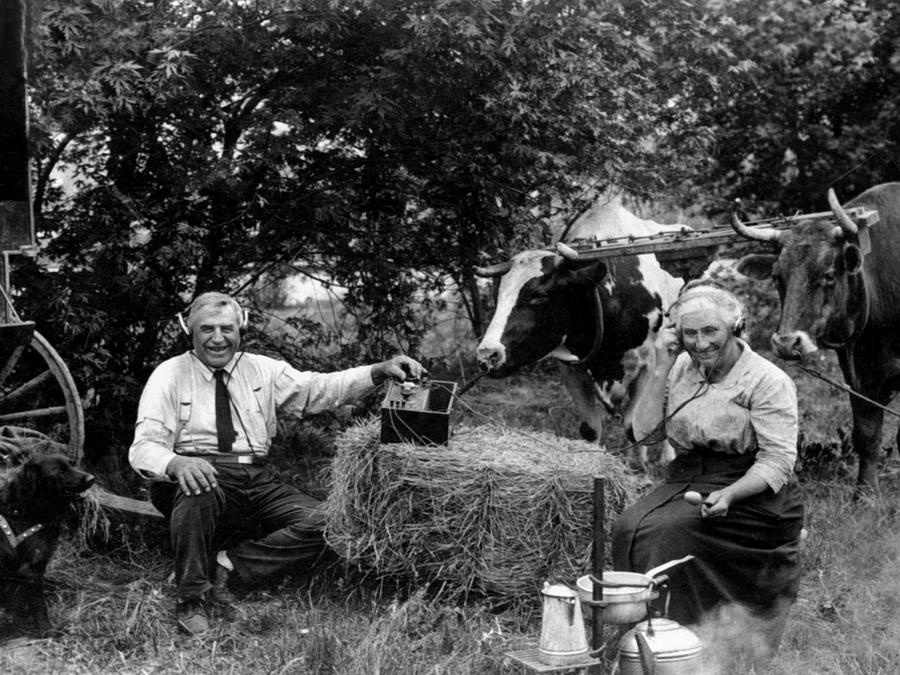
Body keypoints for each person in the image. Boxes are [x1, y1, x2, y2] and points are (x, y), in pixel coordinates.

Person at [128, 292, 425, 635]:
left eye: (227, 328)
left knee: (331, 521)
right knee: (199, 488)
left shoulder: (261, 368)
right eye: (206, 329)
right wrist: (177, 462)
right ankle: (192, 598)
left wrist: (378, 371)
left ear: (242, 328)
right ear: (189, 331)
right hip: (198, 479)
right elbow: (144, 447)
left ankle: (229, 566)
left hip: (255, 478)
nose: (218, 338)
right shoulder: (169, 374)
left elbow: (318, 388)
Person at [611, 279, 804, 661]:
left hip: (755, 490)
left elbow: (778, 461)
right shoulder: (680, 367)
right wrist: (661, 367)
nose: (701, 344)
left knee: (670, 535)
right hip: (689, 477)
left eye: (711, 331)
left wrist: (729, 495)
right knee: (628, 528)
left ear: (734, 327)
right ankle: (644, 641)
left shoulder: (766, 380)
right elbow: (647, 436)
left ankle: (690, 647)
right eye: (690, 334)